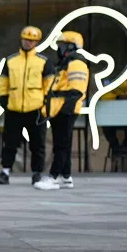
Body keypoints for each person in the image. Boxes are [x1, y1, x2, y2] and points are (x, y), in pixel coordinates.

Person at [0, 26, 55, 187]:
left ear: (36, 42)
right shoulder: (11, 60)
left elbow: (49, 83)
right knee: (10, 143)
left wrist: (45, 103)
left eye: (32, 40)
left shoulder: (43, 61)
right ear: (21, 39)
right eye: (26, 39)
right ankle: (5, 172)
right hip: (14, 109)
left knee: (37, 144)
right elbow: (3, 81)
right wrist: (3, 100)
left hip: (36, 108)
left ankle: (36, 173)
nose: (28, 43)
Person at [39, 31, 89, 190]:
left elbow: (77, 90)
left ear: (70, 46)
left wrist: (65, 110)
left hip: (65, 110)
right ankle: (66, 177)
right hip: (58, 110)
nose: (59, 49)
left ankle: (53, 177)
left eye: (62, 45)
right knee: (62, 144)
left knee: (61, 145)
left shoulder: (76, 63)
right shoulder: (65, 64)